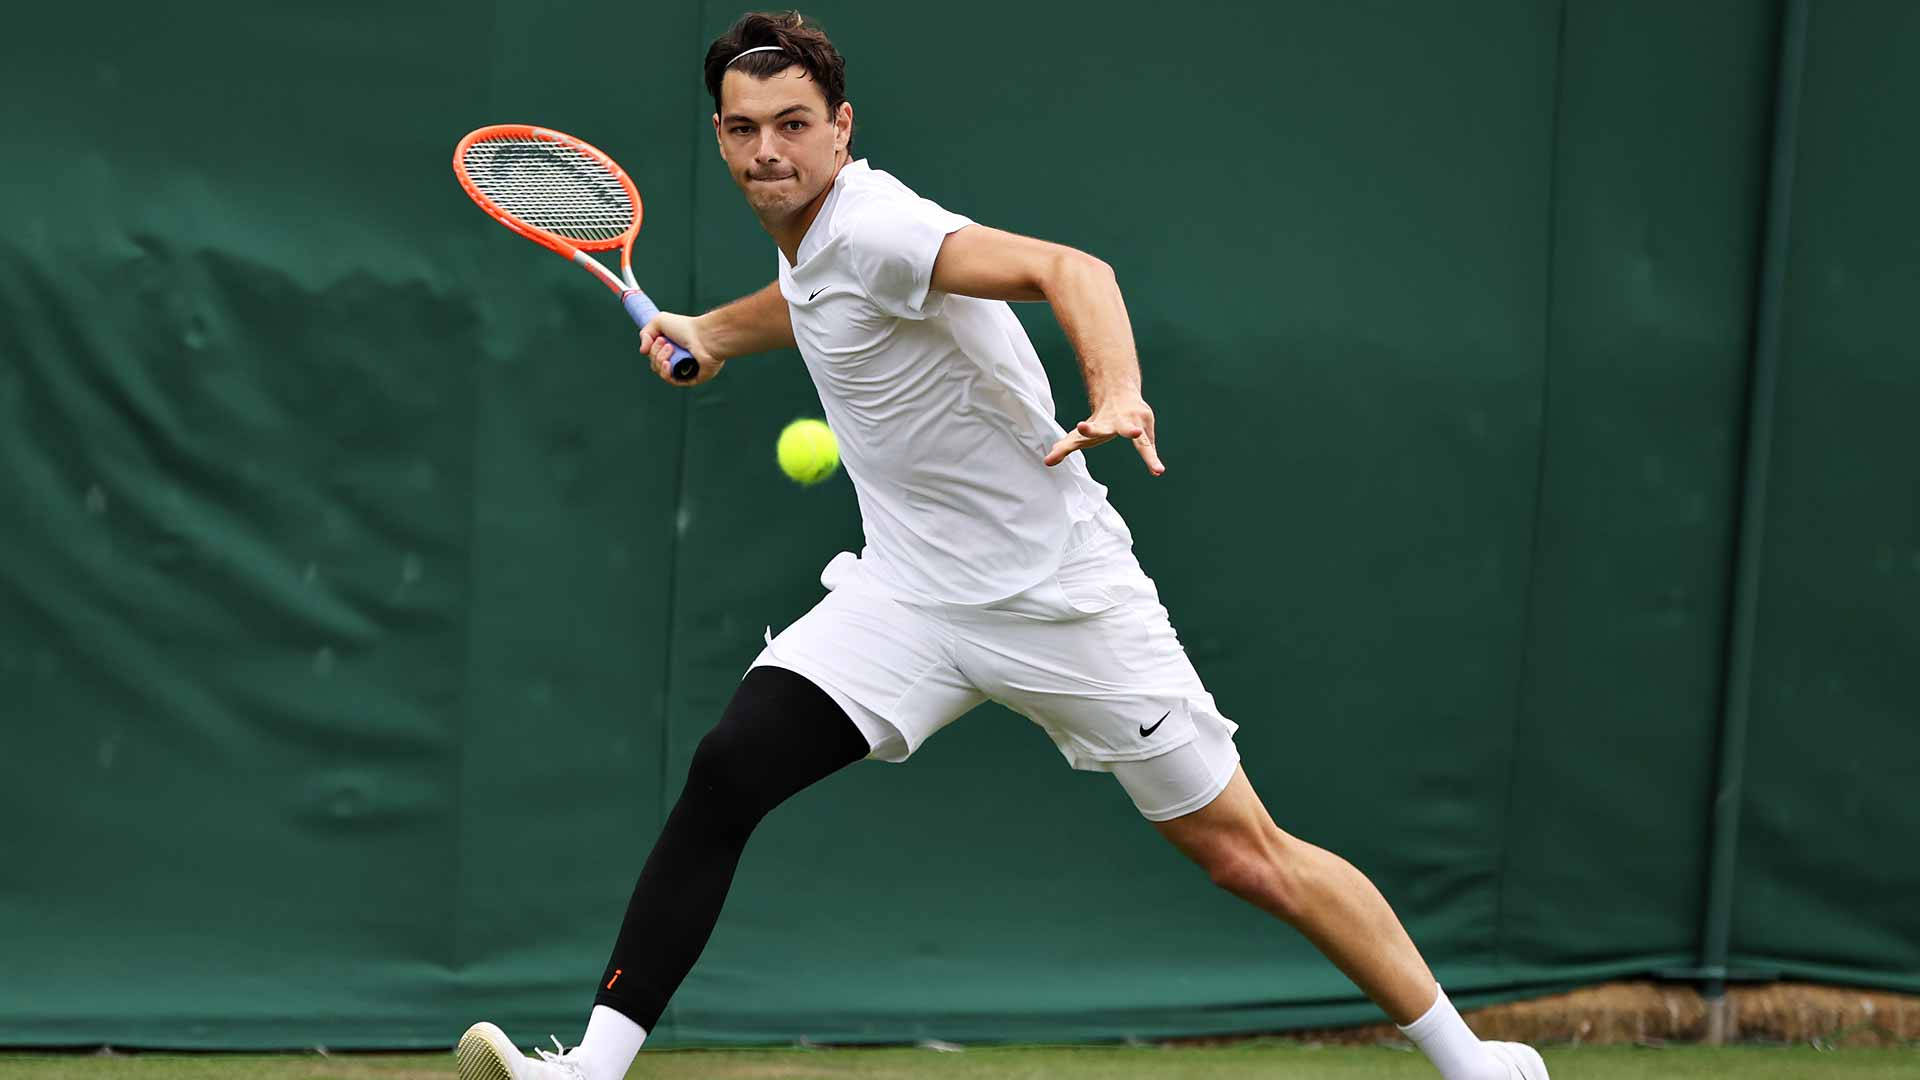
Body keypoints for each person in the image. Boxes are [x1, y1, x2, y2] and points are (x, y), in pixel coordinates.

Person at [456, 11, 1548, 1080]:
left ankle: (1474, 1062)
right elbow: (812, 299)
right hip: (910, 600)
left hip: (1059, 599)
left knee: (1246, 855)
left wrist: (1117, 394)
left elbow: (1075, 271)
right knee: (728, 770)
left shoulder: (878, 225)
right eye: (743, 129)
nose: (767, 151)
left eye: (792, 124)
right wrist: (708, 330)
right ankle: (593, 1069)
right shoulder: (819, 247)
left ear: (842, 127)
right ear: (720, 139)